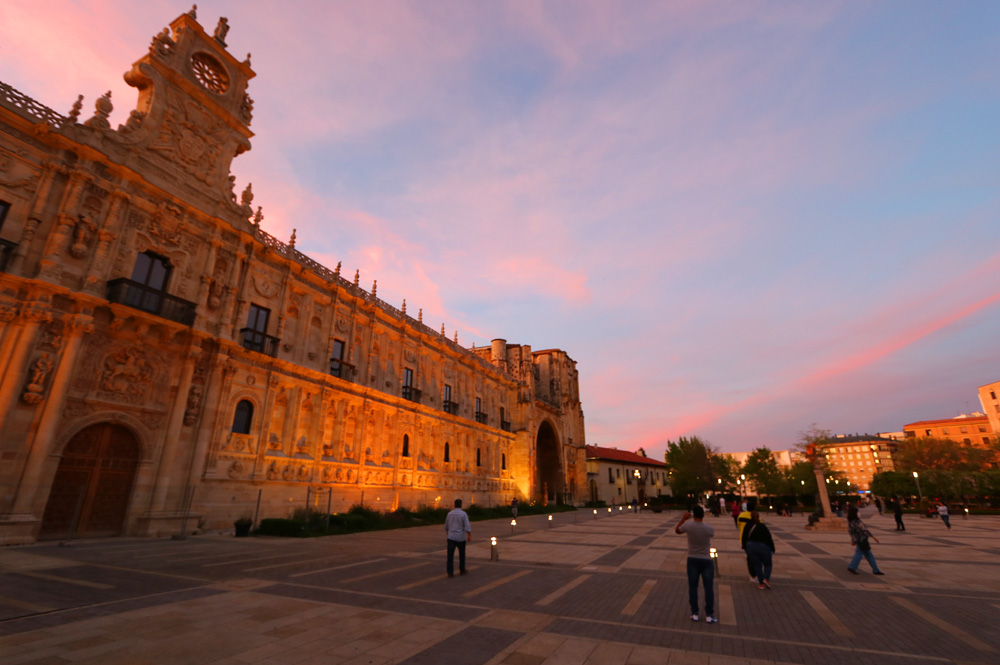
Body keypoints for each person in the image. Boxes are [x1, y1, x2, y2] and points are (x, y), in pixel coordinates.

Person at [675, 505, 717, 623]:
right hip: (706, 560)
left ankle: (695, 613)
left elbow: (677, 530)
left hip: (692, 559)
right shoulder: (709, 528)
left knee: (693, 587)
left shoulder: (688, 526)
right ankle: (709, 614)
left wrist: (683, 519)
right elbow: (711, 535)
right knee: (708, 588)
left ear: (693, 515)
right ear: (703, 515)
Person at [741, 511, 776, 589]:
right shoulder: (762, 526)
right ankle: (766, 579)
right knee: (768, 564)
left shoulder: (747, 525)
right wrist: (773, 548)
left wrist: (744, 546)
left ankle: (761, 584)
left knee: (757, 565)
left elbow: (744, 537)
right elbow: (769, 537)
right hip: (763, 547)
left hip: (751, 547)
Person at [846, 506, 884, 575]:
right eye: (857, 512)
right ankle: (852, 567)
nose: (858, 513)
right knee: (860, 554)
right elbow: (864, 530)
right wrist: (873, 537)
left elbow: (851, 532)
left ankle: (875, 569)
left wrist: (853, 540)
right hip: (862, 540)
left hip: (858, 540)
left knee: (868, 555)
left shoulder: (850, 522)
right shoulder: (857, 522)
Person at [445, 498, 471, 578]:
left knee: (450, 555)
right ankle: (462, 570)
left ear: (454, 505)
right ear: (461, 505)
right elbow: (467, 526)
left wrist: (448, 533)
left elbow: (446, 526)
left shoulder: (449, 514)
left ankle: (450, 572)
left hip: (451, 537)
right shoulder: (463, 514)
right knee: (462, 554)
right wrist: (469, 535)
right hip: (460, 537)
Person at [736, 507, 756, 582]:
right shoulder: (756, 516)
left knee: (749, 557)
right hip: (754, 539)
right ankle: (753, 574)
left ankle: (752, 574)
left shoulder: (741, 515)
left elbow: (738, 524)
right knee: (753, 557)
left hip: (743, 537)